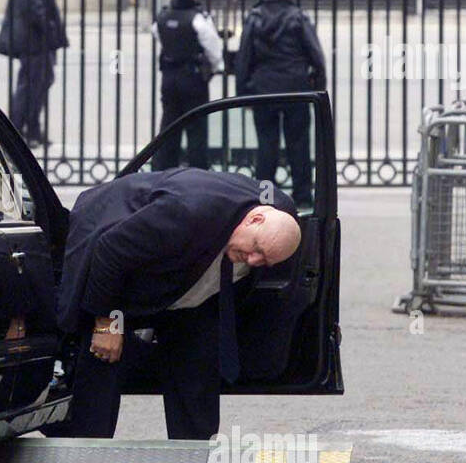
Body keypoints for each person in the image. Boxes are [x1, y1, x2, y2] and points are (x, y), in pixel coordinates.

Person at [49, 168, 302, 440]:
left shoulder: (279, 212)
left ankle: (193, 454)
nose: (252, 261)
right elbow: (110, 252)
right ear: (255, 219)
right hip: (122, 268)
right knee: (104, 353)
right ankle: (87, 448)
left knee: (199, 357)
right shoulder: (187, 213)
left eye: (264, 261)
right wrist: (107, 322)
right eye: (256, 250)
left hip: (189, 283)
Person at [233, 0, 325, 209]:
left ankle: (265, 198)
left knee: (266, 146)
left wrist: (243, 94)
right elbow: (316, 57)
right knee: (299, 146)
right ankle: (303, 196)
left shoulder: (253, 18)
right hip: (296, 90)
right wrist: (318, 91)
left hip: (263, 92)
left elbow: (243, 60)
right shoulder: (298, 17)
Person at [0, 0, 67, 148]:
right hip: (33, 39)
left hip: (37, 39)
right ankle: (17, 132)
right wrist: (50, 29)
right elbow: (33, 6)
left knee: (39, 83)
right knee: (29, 85)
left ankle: (33, 130)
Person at [151, 0, 223, 171]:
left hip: (169, 78)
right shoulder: (199, 18)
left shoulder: (163, 16)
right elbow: (214, 49)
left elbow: (158, 35)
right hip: (193, 79)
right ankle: (197, 176)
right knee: (196, 131)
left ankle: (162, 175)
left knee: (168, 130)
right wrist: (218, 66)